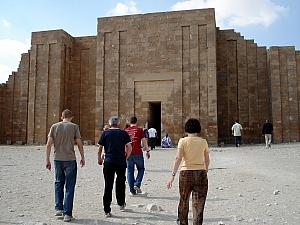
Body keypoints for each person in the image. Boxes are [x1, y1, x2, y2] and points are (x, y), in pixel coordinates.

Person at [167, 118, 210, 225]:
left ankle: (182, 222)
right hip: (201, 173)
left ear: (186, 129)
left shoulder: (183, 141)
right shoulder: (203, 141)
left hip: (185, 173)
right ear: (198, 129)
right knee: (199, 204)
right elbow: (207, 159)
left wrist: (172, 176)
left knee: (184, 200)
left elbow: (178, 158)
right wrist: (205, 170)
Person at [45, 109, 85, 222]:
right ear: (71, 117)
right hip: (70, 159)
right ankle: (67, 214)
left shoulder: (54, 126)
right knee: (70, 186)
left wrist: (47, 160)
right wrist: (82, 157)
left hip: (57, 159)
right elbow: (79, 143)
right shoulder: (74, 127)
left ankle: (58, 208)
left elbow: (48, 145)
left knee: (58, 182)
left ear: (61, 116)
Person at [97, 116, 132, 217]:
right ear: (118, 123)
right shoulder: (123, 133)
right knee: (120, 182)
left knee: (108, 184)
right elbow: (129, 147)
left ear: (110, 123)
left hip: (108, 161)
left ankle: (107, 209)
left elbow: (100, 148)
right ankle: (121, 203)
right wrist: (126, 157)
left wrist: (99, 158)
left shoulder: (105, 133)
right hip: (121, 161)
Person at [125, 116, 150, 195]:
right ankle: (137, 184)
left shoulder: (125, 130)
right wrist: (147, 151)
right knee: (141, 169)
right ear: (136, 122)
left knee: (130, 171)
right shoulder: (139, 130)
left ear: (129, 122)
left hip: (128, 153)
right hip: (138, 152)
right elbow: (144, 141)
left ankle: (132, 191)